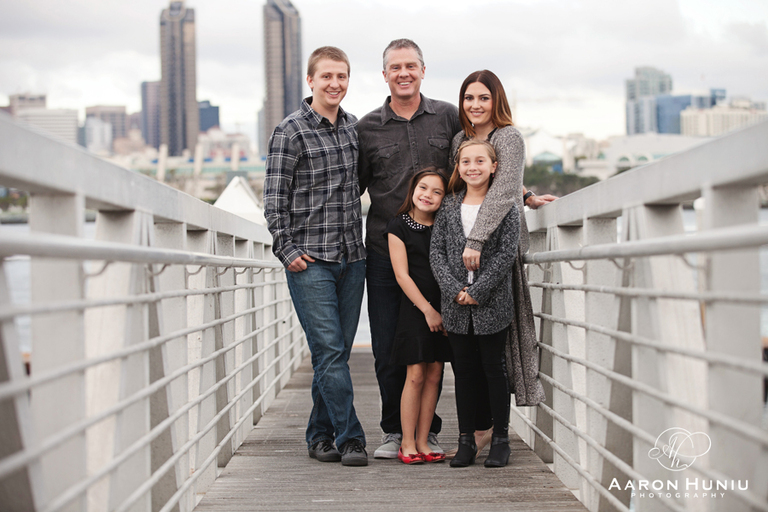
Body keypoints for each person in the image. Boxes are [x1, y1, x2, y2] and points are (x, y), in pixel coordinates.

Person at [263, 46, 368, 466]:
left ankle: (319, 435)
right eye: (326, 76)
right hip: (309, 261)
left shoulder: (354, 129)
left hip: (352, 257)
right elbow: (274, 200)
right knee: (329, 351)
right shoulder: (289, 131)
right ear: (310, 80)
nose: (334, 84)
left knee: (335, 353)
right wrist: (286, 250)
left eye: (341, 76)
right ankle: (351, 438)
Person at [358, 38, 462, 459]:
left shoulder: (447, 116)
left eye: (411, 66)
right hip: (386, 255)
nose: (404, 73)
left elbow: (478, 163)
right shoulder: (366, 128)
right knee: (387, 346)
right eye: (395, 67)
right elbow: (348, 189)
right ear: (385, 74)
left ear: (422, 70)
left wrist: (523, 194)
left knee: (432, 348)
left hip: (439, 254)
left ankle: (427, 431)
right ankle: (392, 431)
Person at [449, 71, 551, 442]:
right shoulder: (460, 139)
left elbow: (503, 185)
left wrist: (477, 239)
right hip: (464, 254)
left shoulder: (509, 136)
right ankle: (480, 427)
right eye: (469, 98)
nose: (475, 105)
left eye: (484, 98)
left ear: (497, 101)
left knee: (499, 348)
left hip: (497, 252)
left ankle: (494, 431)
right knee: (469, 351)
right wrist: (527, 194)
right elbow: (468, 179)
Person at [430, 140, 520, 468]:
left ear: (494, 166)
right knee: (464, 372)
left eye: (480, 161)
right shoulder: (449, 205)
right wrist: (454, 289)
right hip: (455, 304)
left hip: (492, 302)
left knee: (494, 369)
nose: (473, 167)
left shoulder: (505, 206)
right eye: (466, 161)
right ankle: (466, 439)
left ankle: (500, 440)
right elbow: (437, 252)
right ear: (458, 167)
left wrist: (479, 290)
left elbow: (506, 253)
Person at [386, 169, 452, 464]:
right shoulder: (398, 225)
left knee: (435, 374)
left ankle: (424, 441)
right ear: (413, 189)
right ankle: (407, 442)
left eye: (437, 192)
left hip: (445, 307)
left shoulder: (445, 225)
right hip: (417, 309)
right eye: (423, 188)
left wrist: (445, 310)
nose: (428, 195)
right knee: (415, 375)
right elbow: (402, 275)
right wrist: (428, 310)